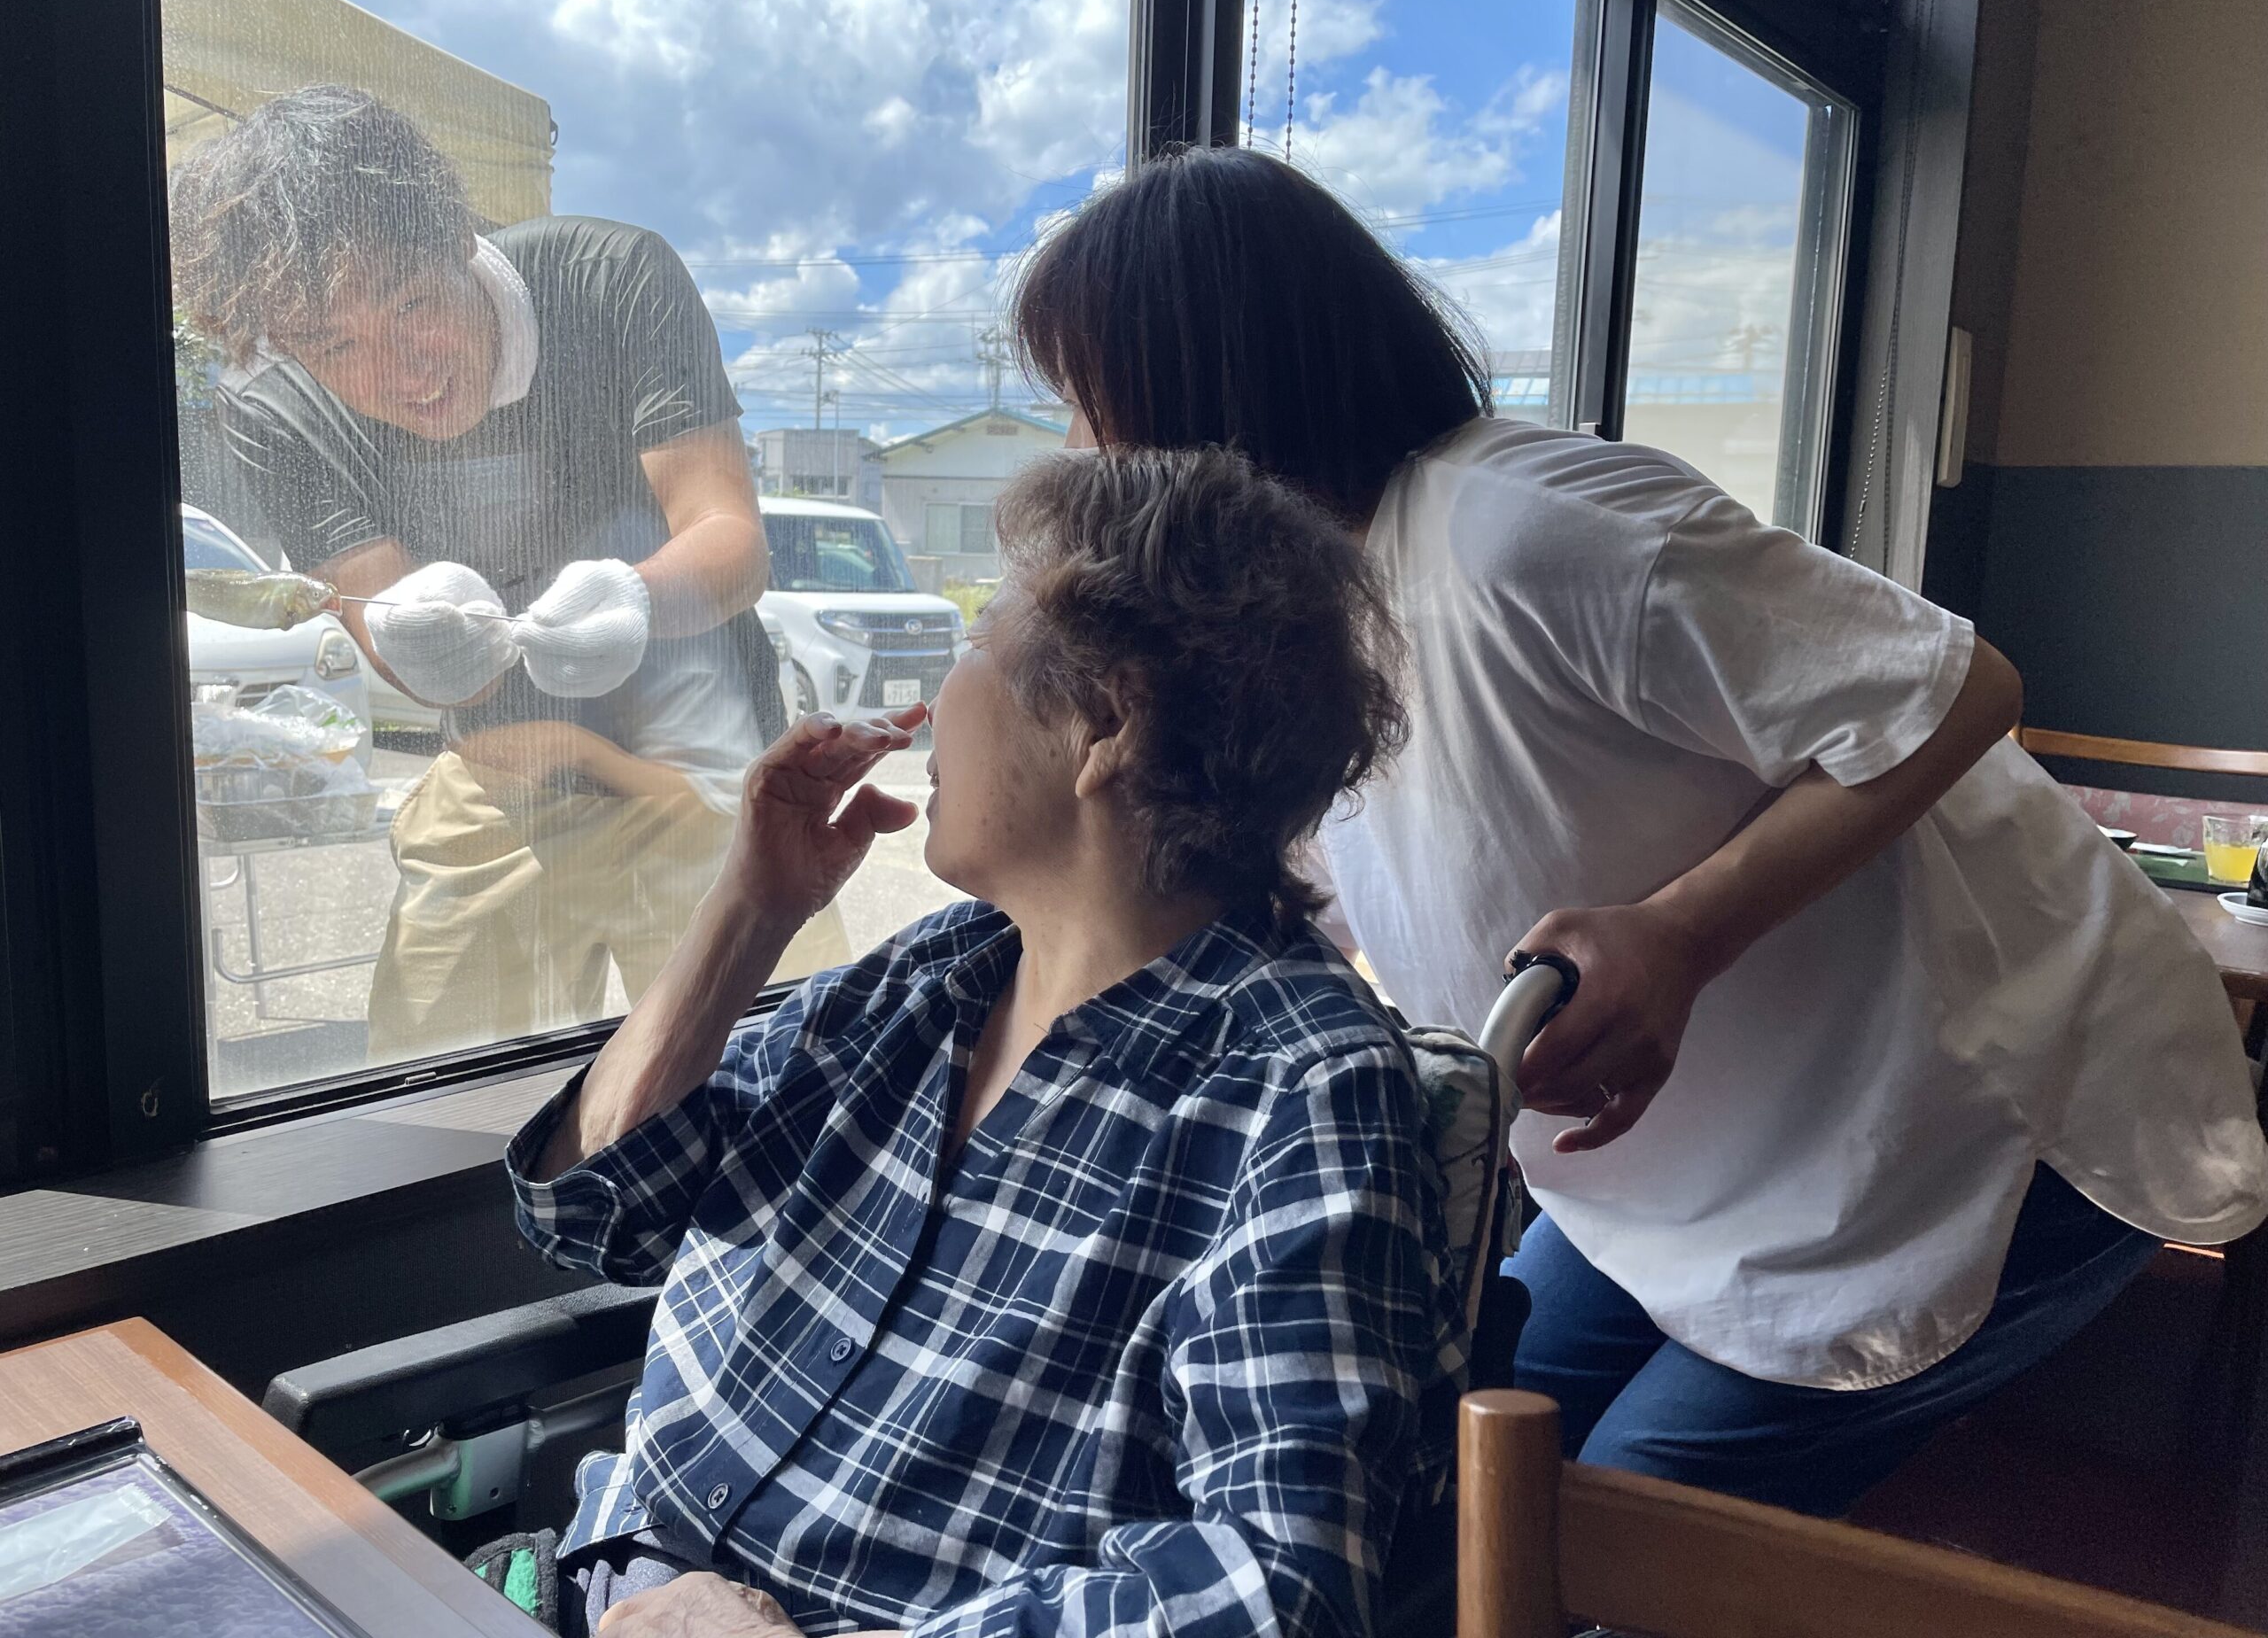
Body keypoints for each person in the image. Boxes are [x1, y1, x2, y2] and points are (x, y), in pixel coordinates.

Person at [1007, 144, 2268, 1518]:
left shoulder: (1523, 529)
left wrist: (1679, 934)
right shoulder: (1306, 615)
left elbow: (1960, 690)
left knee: (1613, 1522)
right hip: (1683, 1170)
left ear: (1207, 387)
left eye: (1088, 402)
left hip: (1965, 1117)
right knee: (1457, 1467)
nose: (1079, 451)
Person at [506, 446, 1464, 1636]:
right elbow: (596, 1213)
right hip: (591, 1583)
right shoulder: (934, 978)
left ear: (1103, 723)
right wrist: (752, 906)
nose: (934, 700)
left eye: (976, 644)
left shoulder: (1300, 1088)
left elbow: (1279, 1588)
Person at [170, 85, 848, 1062]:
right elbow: (378, 611)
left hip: (701, 764)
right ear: (286, 340)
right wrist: (414, 641)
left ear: (458, 237)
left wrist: (636, 598)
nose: (402, 370)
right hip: (500, 775)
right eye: (334, 345)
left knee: (780, 1078)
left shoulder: (610, 278)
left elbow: (729, 538)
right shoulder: (273, 406)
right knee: (429, 1091)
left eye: (412, 304)